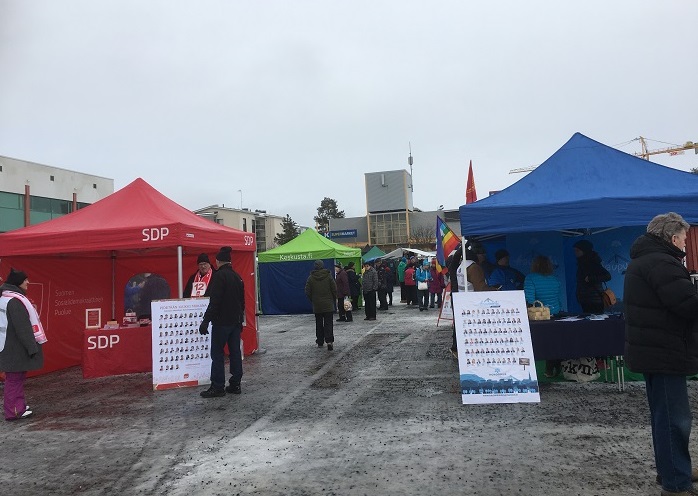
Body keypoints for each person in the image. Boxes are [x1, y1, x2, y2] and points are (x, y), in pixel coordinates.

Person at [625, 212, 698, 495]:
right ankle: (676, 482)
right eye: (683, 238)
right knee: (674, 419)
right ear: (672, 237)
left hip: (655, 350)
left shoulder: (646, 260)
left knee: (664, 416)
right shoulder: (662, 263)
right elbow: (687, 305)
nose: (685, 244)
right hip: (665, 351)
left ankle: (672, 470)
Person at [198, 246, 246, 398]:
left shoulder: (219, 277)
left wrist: (205, 321)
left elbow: (215, 302)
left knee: (217, 353)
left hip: (221, 322)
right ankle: (236, 383)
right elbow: (242, 302)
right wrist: (240, 320)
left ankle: (218, 386)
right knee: (235, 353)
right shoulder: (237, 277)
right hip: (235, 322)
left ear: (218, 262)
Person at [0, 269, 44, 420]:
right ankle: (14, 411)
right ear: (18, 282)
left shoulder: (5, 298)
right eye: (25, 280)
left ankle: (18, 406)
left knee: (14, 379)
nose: (28, 282)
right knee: (14, 379)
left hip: (8, 345)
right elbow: (23, 328)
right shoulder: (15, 301)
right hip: (15, 348)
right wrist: (32, 348)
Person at [449, 242, 499, 357]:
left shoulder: (461, 266)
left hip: (462, 300)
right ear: (476, 255)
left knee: (460, 326)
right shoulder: (473, 267)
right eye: (482, 253)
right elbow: (480, 287)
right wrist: (495, 290)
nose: (484, 256)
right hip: (473, 303)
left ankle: (458, 348)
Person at [523, 255, 563, 377]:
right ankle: (555, 365)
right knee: (555, 341)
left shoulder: (530, 278)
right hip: (555, 313)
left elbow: (529, 299)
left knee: (542, 343)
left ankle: (546, 369)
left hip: (539, 315)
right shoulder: (555, 279)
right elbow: (557, 297)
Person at [305, 260, 337, 349]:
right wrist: (333, 299)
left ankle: (320, 341)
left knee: (318, 323)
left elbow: (307, 291)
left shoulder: (311, 278)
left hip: (317, 305)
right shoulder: (328, 276)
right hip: (328, 304)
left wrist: (313, 299)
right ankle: (329, 341)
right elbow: (334, 289)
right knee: (328, 323)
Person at [573, 239, 611, 314]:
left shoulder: (593, 262)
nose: (575, 253)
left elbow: (607, 276)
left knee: (596, 319)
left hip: (595, 300)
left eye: (577, 250)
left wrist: (591, 278)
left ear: (584, 250)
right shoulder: (581, 262)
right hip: (585, 299)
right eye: (575, 251)